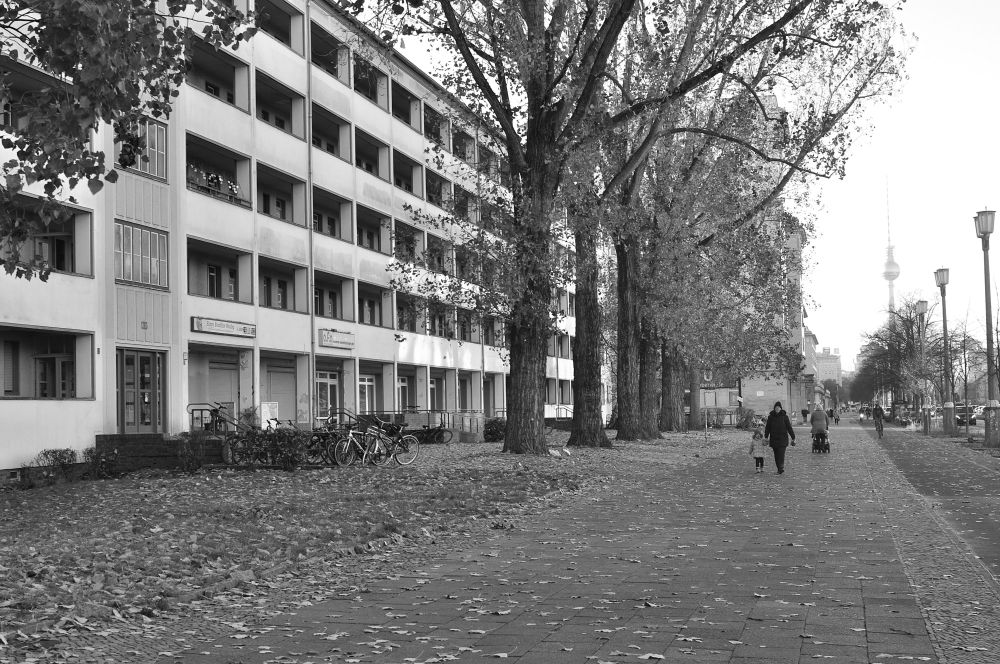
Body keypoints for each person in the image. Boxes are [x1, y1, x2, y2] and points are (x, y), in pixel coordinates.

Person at [764, 401, 796, 474]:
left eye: (778, 407)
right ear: (774, 408)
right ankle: (779, 468)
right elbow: (767, 428)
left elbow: (789, 427)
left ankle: (781, 468)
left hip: (783, 439)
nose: (777, 409)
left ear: (781, 408)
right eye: (776, 407)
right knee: (776, 455)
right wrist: (766, 436)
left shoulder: (785, 417)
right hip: (774, 439)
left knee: (781, 454)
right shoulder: (771, 417)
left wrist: (793, 437)